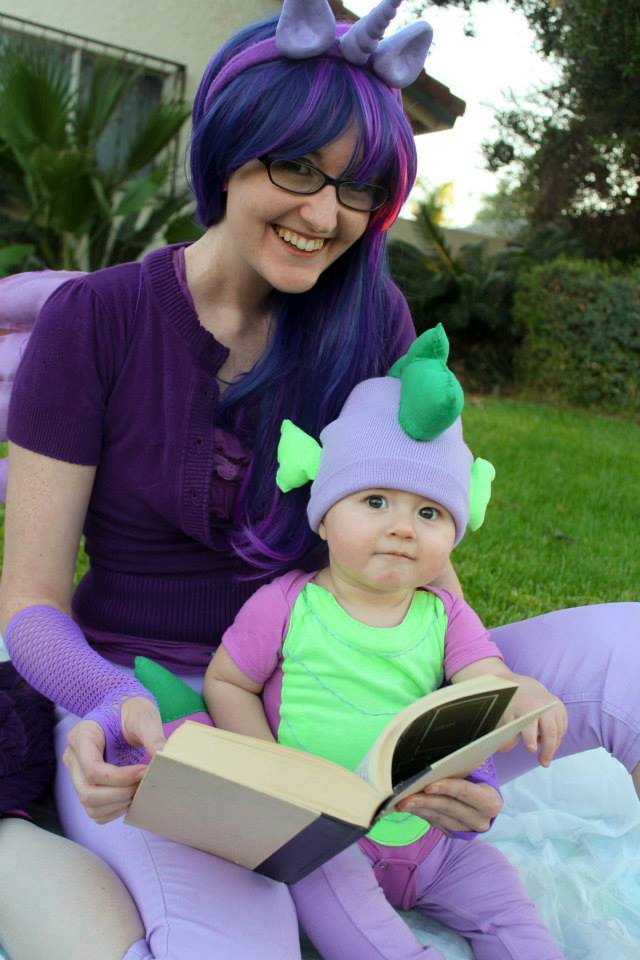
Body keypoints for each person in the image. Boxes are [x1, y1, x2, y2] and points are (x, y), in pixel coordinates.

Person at [0, 1, 637, 958]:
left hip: (363, 668)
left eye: (358, 187)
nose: (325, 213)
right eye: (297, 167)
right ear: (229, 151)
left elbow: (413, 532)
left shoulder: (369, 316)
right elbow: (31, 605)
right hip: (172, 718)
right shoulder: (95, 321)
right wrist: (99, 700)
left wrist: (463, 704)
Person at [202, 329, 566, 959]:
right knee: (360, 929)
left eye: (429, 513)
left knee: (510, 910)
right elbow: (228, 680)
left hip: (428, 837)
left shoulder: (444, 613)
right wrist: (271, 769)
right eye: (375, 501)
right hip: (325, 836)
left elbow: (485, 678)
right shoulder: (289, 604)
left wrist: (523, 695)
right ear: (326, 513)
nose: (402, 527)